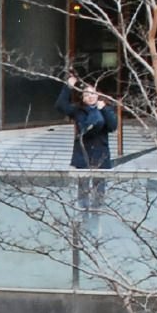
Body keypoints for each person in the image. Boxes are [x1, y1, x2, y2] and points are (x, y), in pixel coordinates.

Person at [56, 74, 117, 225]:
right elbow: (60, 105)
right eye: (86, 94)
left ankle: (96, 216)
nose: (90, 97)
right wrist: (68, 86)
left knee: (99, 189)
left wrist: (105, 110)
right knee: (83, 188)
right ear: (82, 97)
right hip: (83, 155)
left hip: (100, 156)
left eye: (93, 93)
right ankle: (84, 217)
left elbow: (112, 126)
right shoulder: (79, 111)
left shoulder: (105, 108)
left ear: (98, 95)